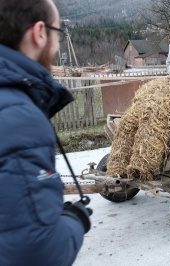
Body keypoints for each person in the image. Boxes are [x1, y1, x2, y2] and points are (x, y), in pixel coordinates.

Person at [0, 0, 92, 265]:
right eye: (58, 33)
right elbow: (37, 252)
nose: (58, 43)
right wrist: (74, 220)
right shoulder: (19, 118)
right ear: (39, 32)